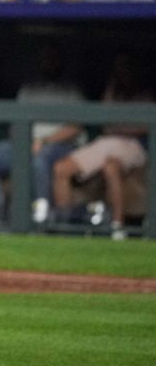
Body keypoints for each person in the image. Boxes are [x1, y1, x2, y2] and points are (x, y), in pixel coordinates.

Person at [0, 47, 85, 224]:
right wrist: (26, 141)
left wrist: (43, 141)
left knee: (40, 160)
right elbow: (15, 124)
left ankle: (42, 213)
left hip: (58, 146)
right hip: (26, 143)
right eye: (46, 60)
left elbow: (74, 127)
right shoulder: (29, 89)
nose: (49, 64)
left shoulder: (71, 90)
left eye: (53, 60)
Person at [52, 53, 154, 238]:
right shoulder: (114, 90)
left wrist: (120, 127)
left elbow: (143, 127)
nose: (124, 72)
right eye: (121, 68)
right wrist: (113, 88)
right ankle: (64, 225)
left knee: (111, 167)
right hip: (107, 142)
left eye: (128, 67)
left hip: (135, 145)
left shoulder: (147, 93)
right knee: (61, 168)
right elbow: (106, 124)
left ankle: (117, 227)